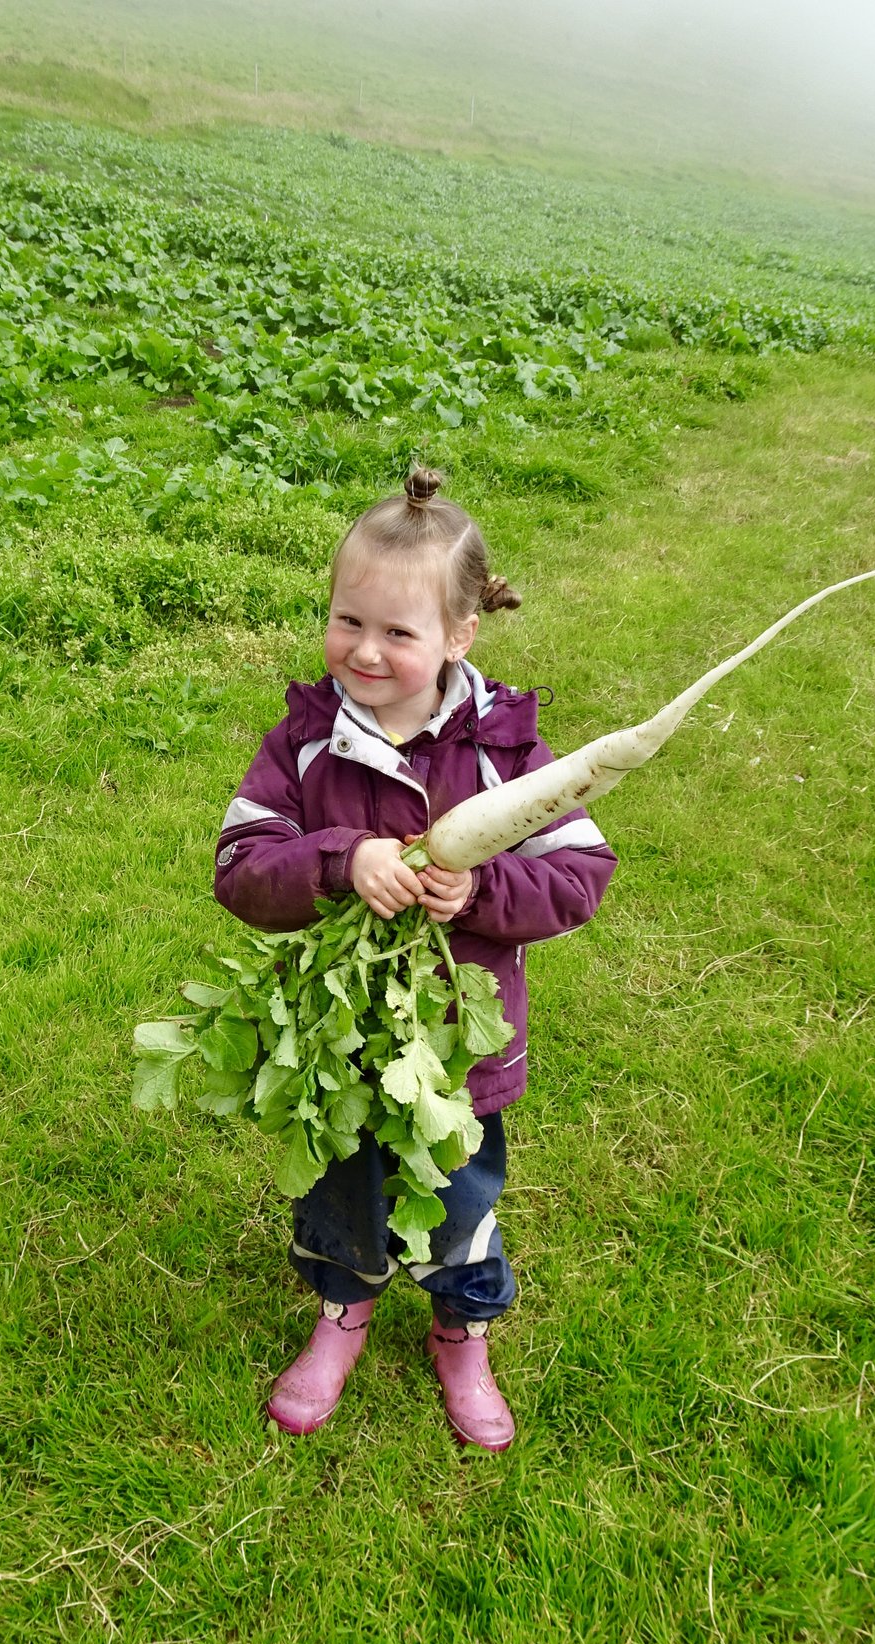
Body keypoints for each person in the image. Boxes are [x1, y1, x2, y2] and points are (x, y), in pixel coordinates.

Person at [213, 468, 617, 1450]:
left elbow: (580, 873)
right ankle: (341, 1314)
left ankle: (459, 1331)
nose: (364, 650)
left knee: (458, 1201)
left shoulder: (504, 754)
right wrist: (335, 860)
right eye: (346, 620)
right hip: (337, 1048)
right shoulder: (305, 747)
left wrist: (480, 893)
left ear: (459, 636)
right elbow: (236, 865)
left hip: (456, 1059)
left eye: (398, 633)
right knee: (340, 1191)